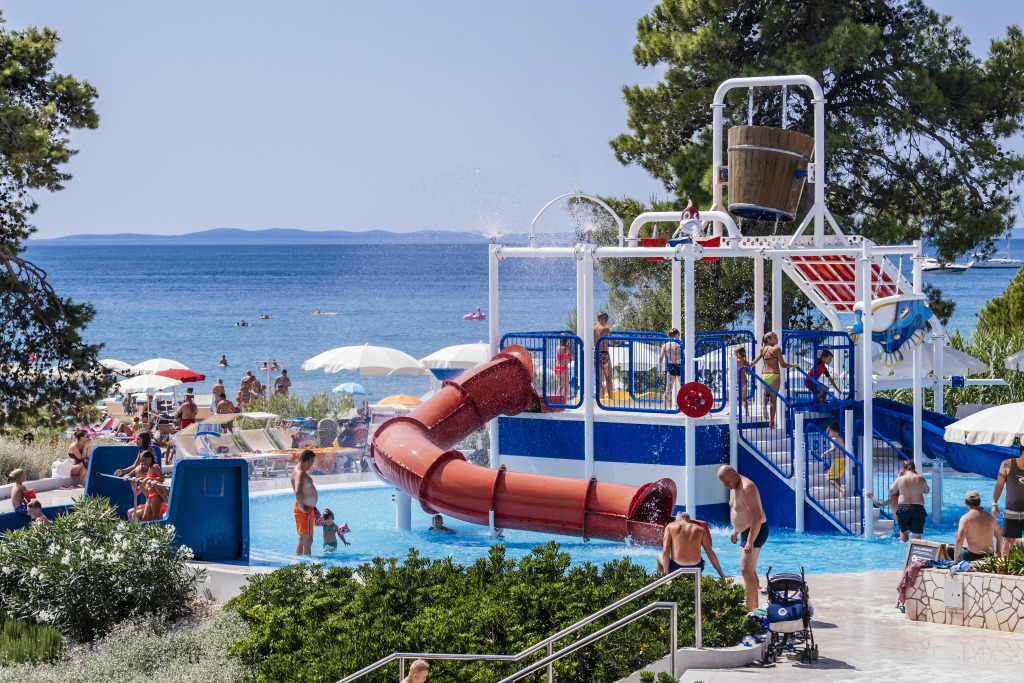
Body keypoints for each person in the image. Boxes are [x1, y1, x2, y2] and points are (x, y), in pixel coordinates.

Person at [718, 465, 767, 611]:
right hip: (745, 531)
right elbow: (739, 509)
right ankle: (756, 608)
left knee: (745, 570)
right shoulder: (734, 486)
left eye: (727, 482)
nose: (725, 486)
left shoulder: (747, 488)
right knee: (749, 571)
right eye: (723, 483)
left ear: (734, 475)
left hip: (755, 531)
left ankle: (748, 610)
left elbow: (757, 516)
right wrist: (736, 529)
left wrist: (750, 541)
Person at [657, 511, 725, 578]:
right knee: (701, 558)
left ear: (676, 520)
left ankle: (662, 578)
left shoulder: (670, 527)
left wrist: (667, 575)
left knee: (659, 556)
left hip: (676, 568)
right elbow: (710, 554)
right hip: (697, 568)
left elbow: (665, 551)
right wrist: (722, 574)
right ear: (689, 521)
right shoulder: (700, 529)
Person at [751, 332, 798, 428]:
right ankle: (771, 423)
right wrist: (794, 365)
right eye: (775, 337)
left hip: (764, 375)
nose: (777, 339)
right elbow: (783, 365)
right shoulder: (777, 349)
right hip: (774, 375)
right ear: (768, 340)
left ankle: (764, 407)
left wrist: (747, 368)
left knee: (766, 395)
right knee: (773, 400)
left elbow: (753, 363)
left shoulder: (763, 349)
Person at [991, 442, 1024, 555]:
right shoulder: (1007, 464)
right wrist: (994, 503)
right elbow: (999, 485)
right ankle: (1006, 564)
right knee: (1008, 541)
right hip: (1011, 511)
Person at [953, 490, 1003, 562]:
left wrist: (956, 558)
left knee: (949, 548)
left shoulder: (966, 518)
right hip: (989, 556)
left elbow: (959, 538)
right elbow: (1000, 536)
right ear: (980, 502)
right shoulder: (990, 517)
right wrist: (998, 554)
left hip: (971, 556)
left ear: (966, 503)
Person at [889, 460, 929, 542]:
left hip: (903, 508)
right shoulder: (921, 478)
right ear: (914, 469)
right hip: (918, 508)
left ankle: (904, 547)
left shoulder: (900, 479)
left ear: (903, 470)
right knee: (917, 534)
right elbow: (927, 491)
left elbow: (891, 492)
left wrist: (898, 478)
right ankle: (915, 549)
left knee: (904, 532)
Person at [291, 449, 318, 556]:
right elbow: (298, 491)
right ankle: (308, 563)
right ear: (309, 460)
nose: (311, 466)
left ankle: (300, 562)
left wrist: (314, 508)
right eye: (312, 463)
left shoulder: (296, 470)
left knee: (302, 538)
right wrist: (302, 508)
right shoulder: (300, 473)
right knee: (308, 541)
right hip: (304, 509)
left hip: (305, 508)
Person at [659, 329, 682, 410]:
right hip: (680, 366)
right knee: (683, 388)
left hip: (671, 366)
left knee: (668, 389)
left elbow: (661, 358)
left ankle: (665, 408)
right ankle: (680, 406)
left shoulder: (665, 345)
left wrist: (660, 370)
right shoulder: (680, 344)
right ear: (677, 335)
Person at [594, 312, 615, 401]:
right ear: (605, 320)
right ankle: (611, 399)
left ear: (597, 319)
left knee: (599, 380)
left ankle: (601, 400)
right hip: (604, 354)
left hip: (595, 354)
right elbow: (613, 342)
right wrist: (620, 342)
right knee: (609, 379)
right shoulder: (606, 329)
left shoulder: (593, 329)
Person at [823, 422, 846, 498]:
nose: (828, 433)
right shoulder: (840, 439)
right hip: (843, 461)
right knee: (835, 478)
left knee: (829, 478)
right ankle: (841, 495)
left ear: (831, 431)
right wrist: (831, 453)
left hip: (837, 461)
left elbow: (833, 448)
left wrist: (825, 453)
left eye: (828, 431)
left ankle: (841, 489)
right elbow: (843, 447)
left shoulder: (832, 439)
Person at [734, 347, 751, 418]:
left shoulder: (734, 361)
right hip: (743, 381)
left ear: (738, 354)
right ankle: (747, 413)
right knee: (744, 398)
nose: (734, 355)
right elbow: (749, 373)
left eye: (735, 353)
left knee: (732, 397)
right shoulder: (745, 362)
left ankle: (732, 411)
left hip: (736, 381)